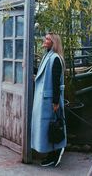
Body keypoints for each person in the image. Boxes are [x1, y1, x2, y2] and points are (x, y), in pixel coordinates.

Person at [31, 32, 66, 167]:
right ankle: (51, 153)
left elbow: (56, 82)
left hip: (50, 100)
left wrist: (56, 102)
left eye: (47, 39)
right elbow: (41, 72)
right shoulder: (47, 56)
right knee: (47, 127)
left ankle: (56, 153)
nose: (44, 40)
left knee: (53, 125)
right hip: (44, 99)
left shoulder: (55, 58)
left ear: (53, 42)